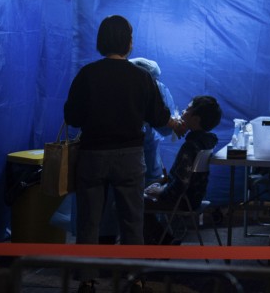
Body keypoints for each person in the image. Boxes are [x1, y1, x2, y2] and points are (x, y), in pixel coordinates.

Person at [63, 15, 186, 293]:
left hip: (93, 155)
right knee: (133, 220)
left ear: (101, 41)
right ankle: (136, 280)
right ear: (128, 43)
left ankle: (87, 281)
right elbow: (158, 116)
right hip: (130, 157)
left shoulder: (87, 74)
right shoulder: (142, 77)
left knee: (89, 221)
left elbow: (72, 116)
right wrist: (176, 124)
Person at [144, 95, 223, 245]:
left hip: (181, 200)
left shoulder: (190, 147)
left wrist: (161, 191)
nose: (182, 112)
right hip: (195, 198)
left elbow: (180, 184)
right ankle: (163, 238)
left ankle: (163, 241)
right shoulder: (206, 142)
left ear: (196, 119)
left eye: (187, 109)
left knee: (136, 203)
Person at [130, 57, 177, 184]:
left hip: (125, 151)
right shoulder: (157, 87)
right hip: (140, 151)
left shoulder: (117, 84)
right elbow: (166, 127)